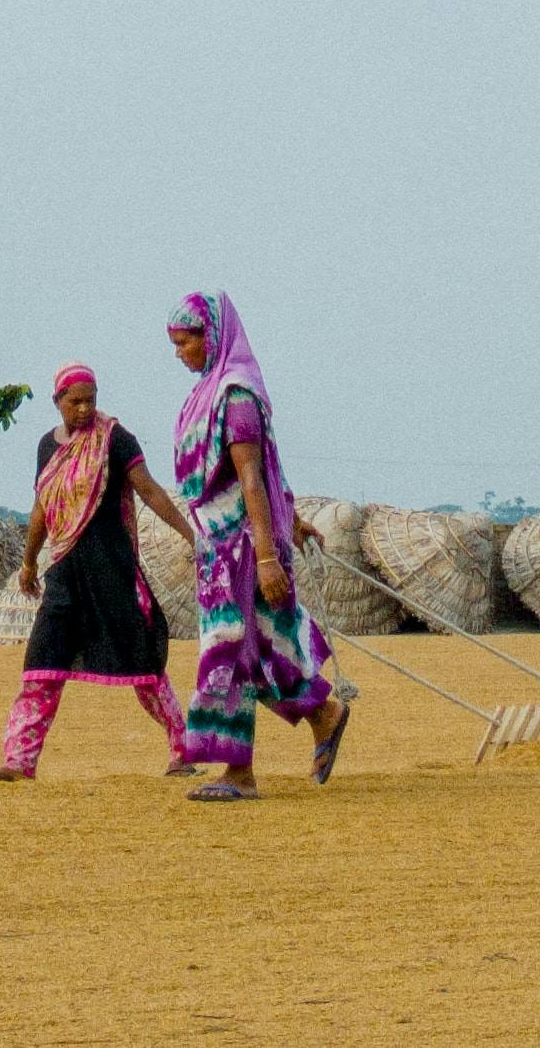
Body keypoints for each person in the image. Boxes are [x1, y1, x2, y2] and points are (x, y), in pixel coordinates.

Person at [166, 291, 352, 801]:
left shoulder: (236, 397)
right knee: (264, 649)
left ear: (213, 337)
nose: (180, 353)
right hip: (217, 550)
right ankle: (325, 714)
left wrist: (269, 556)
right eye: (176, 345)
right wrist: (291, 519)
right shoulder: (206, 394)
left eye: (186, 343)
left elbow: (252, 477)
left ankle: (238, 773)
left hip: (243, 554)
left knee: (227, 652)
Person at [0, 363, 193, 782]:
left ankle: (182, 748)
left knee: (143, 666)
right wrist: (28, 561)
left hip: (113, 570)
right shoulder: (47, 447)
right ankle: (18, 761)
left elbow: (148, 489)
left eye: (89, 401)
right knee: (41, 665)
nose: (83, 410)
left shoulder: (115, 438)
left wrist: (189, 535)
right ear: (57, 402)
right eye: (74, 402)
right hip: (65, 572)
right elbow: (42, 506)